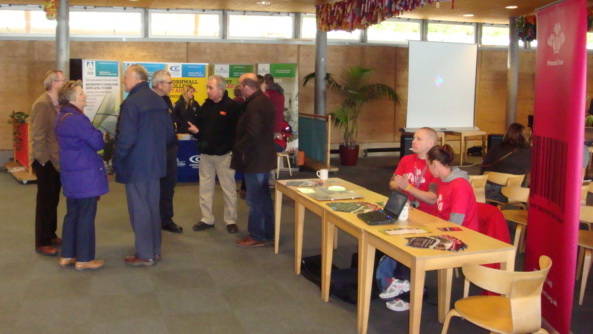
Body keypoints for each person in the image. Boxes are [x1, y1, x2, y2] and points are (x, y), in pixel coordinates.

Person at [377, 144, 478, 312]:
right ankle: (403, 283)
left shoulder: (459, 184)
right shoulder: (446, 181)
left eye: (429, 166)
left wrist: (431, 234)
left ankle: (405, 287)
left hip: (461, 236)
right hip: (446, 230)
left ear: (435, 164)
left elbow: (456, 223)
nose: (429, 171)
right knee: (404, 236)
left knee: (413, 246)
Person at [114, 64, 175, 266]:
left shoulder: (131, 103)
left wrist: (117, 159)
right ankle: (155, 250)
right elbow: (169, 135)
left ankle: (144, 254)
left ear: (135, 78)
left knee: (139, 210)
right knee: (152, 209)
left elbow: (126, 138)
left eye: (125, 77)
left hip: (136, 166)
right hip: (156, 165)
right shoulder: (158, 101)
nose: (123, 80)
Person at [54, 80, 108, 271]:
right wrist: (99, 134)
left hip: (71, 174)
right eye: (82, 93)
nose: (85, 95)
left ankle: (67, 255)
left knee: (72, 215)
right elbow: (97, 143)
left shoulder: (61, 117)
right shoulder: (77, 119)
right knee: (86, 216)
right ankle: (84, 259)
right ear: (74, 98)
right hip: (85, 176)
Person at [188, 75, 240, 234]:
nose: (208, 91)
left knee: (229, 188)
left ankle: (231, 220)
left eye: (210, 88)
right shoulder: (206, 106)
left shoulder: (232, 107)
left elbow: (238, 131)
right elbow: (200, 128)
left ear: (221, 89)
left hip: (224, 155)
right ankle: (207, 218)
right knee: (205, 187)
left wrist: (231, 149)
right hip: (206, 155)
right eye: (207, 88)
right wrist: (197, 132)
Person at [232, 73, 276, 247]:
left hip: (256, 158)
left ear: (246, 87)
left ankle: (256, 235)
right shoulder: (263, 101)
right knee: (263, 197)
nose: (239, 88)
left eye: (240, 85)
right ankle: (268, 232)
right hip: (263, 157)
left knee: (255, 199)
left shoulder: (254, 105)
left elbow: (253, 134)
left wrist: (238, 148)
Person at [30, 69, 65, 256]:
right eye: (62, 80)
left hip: (56, 160)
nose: (65, 83)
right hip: (46, 161)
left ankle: (50, 233)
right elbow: (38, 136)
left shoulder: (57, 103)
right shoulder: (42, 104)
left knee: (53, 200)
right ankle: (42, 241)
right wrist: (43, 161)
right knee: (45, 202)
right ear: (53, 83)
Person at [151, 69, 183, 234]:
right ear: (159, 84)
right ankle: (152, 219)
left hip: (170, 151)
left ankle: (166, 219)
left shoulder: (167, 100)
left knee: (169, 185)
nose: (171, 86)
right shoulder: (149, 101)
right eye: (169, 83)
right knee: (154, 187)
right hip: (155, 153)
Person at [389, 127, 440, 216]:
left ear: (430, 143)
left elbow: (432, 199)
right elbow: (392, 183)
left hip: (427, 215)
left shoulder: (435, 165)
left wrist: (407, 187)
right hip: (405, 209)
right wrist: (401, 190)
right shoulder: (406, 159)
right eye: (414, 138)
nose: (413, 141)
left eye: (418, 139)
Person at [481, 123, 531, 203]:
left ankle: (494, 208)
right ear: (524, 135)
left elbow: (484, 167)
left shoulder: (496, 148)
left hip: (492, 192)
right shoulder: (529, 151)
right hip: (516, 192)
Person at [263, 74, 285, 153]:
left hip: (268, 126)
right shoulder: (281, 94)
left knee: (263, 150)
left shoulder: (267, 94)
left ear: (265, 83)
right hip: (277, 127)